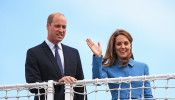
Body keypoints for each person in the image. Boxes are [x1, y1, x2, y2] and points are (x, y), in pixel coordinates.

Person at [25, 12, 86, 100]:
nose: (61, 30)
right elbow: (32, 85)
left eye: (64, 27)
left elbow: (81, 86)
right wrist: (57, 83)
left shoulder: (74, 53)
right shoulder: (34, 53)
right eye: (57, 26)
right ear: (48, 26)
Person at [86, 29, 153, 100]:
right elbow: (97, 82)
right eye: (119, 44)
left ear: (130, 45)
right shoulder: (108, 68)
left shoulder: (143, 67)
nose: (123, 47)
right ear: (114, 48)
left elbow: (148, 95)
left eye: (126, 43)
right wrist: (98, 56)